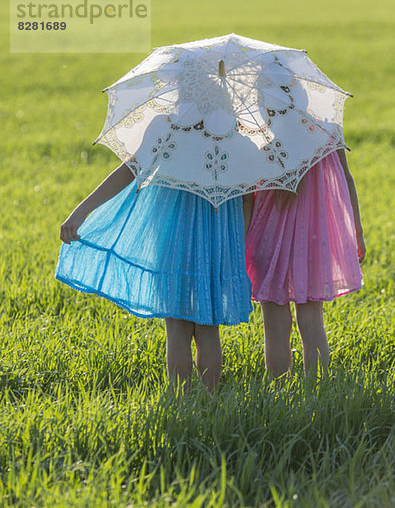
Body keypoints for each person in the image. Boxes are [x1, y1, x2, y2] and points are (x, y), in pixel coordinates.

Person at [55, 160, 254, 393]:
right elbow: (247, 197)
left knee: (177, 325)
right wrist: (236, 242)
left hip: (174, 230)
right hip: (217, 235)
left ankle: (181, 402)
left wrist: (80, 212)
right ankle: (209, 401)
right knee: (208, 326)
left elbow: (130, 168)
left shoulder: (170, 126)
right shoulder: (235, 133)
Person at [245, 148, 366, 379]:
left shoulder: (265, 131)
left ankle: (278, 389)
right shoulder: (324, 129)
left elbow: (248, 188)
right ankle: (317, 388)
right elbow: (346, 178)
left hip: (268, 235)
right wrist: (357, 232)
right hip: (312, 239)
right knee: (312, 319)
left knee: (274, 322)